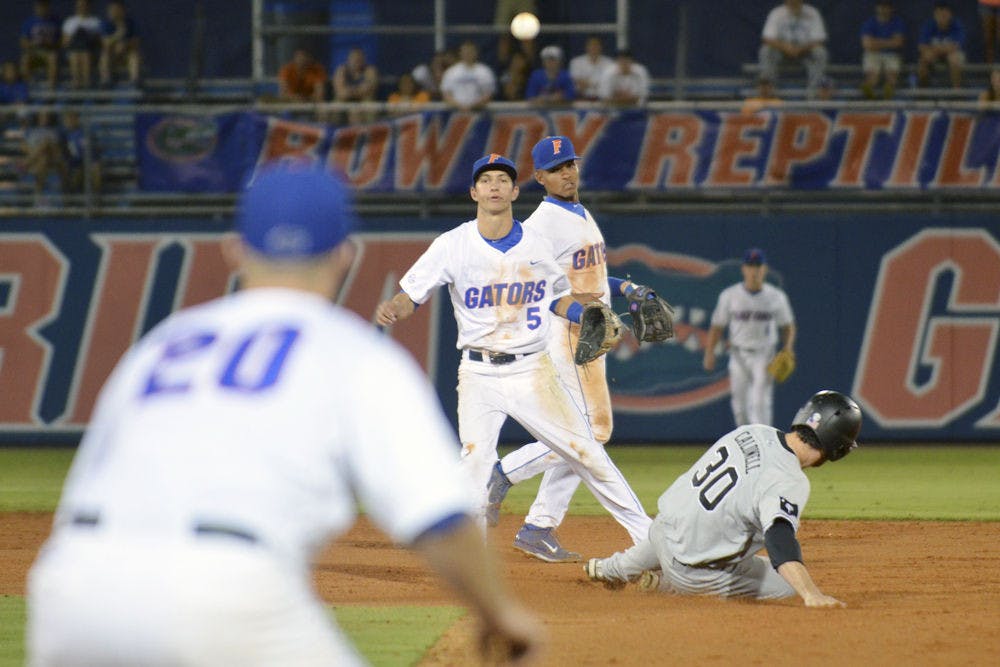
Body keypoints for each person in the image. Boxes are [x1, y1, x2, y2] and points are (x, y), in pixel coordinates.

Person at [26, 164, 542, 666]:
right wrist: (499, 614)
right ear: (344, 255)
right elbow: (439, 517)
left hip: (70, 588)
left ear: (235, 250)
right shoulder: (353, 353)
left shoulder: (164, 343)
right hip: (227, 586)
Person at [375, 153, 652, 554]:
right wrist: (395, 307)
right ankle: (476, 565)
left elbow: (558, 298)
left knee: (586, 452)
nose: (494, 186)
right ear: (474, 192)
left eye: (502, 180)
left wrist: (585, 313)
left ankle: (649, 540)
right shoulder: (452, 245)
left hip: (532, 371)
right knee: (474, 466)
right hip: (478, 375)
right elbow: (411, 294)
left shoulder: (537, 244)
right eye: (485, 180)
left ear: (515, 190)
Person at [484, 136, 669, 562]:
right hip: (567, 337)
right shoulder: (542, 224)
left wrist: (627, 288)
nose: (566, 172)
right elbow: (527, 285)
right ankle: (505, 474)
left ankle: (538, 527)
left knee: (587, 436)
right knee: (591, 434)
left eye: (570, 164)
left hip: (589, 333)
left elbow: (588, 279)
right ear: (539, 177)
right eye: (556, 168)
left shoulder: (578, 213)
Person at [585, 390, 861, 608]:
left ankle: (613, 568)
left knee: (683, 528)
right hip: (692, 573)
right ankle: (662, 584)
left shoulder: (753, 431)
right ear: (838, 447)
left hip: (661, 531)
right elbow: (779, 539)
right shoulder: (790, 480)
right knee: (787, 585)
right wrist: (811, 594)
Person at [702, 248, 796, 428]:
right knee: (740, 407)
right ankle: (745, 446)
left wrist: (788, 347)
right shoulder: (730, 295)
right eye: (751, 266)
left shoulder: (776, 297)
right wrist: (709, 353)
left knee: (760, 403)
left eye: (758, 266)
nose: (755, 270)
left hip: (765, 354)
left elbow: (788, 325)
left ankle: (766, 446)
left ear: (764, 269)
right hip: (738, 354)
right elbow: (717, 326)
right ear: (744, 269)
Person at [758, 0, 829, 100]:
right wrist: (786, 47)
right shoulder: (777, 13)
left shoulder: (812, 13)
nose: (793, 2)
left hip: (805, 51)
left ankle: (813, 93)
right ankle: (770, 90)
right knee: (766, 50)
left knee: (820, 52)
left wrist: (800, 48)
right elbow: (767, 38)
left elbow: (819, 39)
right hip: (782, 51)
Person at [860, 1, 905, 100]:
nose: (884, 9)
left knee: (892, 78)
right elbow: (867, 45)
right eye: (881, 6)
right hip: (873, 54)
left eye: (886, 7)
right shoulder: (869, 23)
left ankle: (887, 102)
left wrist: (876, 42)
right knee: (872, 78)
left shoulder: (897, 22)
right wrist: (889, 42)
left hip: (892, 55)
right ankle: (871, 101)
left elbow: (898, 43)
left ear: (891, 8)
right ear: (877, 8)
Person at [918, 2, 966, 89]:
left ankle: (957, 91)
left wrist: (936, 49)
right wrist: (942, 49)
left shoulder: (956, 24)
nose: (942, 17)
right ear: (935, 15)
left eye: (945, 14)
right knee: (924, 58)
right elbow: (922, 46)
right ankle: (922, 90)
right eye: (939, 14)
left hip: (950, 54)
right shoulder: (929, 25)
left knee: (955, 59)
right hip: (934, 55)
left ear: (950, 14)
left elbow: (956, 46)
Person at [440, 40, 497, 111]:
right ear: (460, 53)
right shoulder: (451, 72)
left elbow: (489, 93)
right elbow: (446, 94)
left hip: (478, 111)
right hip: (455, 112)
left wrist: (473, 106)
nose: (468, 54)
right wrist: (460, 106)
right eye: (465, 52)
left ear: (476, 53)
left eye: (470, 52)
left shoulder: (485, 71)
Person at [61, 0, 104, 89]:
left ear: (89, 6)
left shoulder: (95, 22)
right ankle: (76, 83)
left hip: (90, 50)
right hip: (73, 50)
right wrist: (74, 36)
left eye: (84, 5)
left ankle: (86, 83)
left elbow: (100, 42)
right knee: (75, 55)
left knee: (85, 55)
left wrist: (88, 36)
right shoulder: (70, 22)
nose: (82, 7)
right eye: (80, 5)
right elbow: (64, 43)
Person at [61, 109, 102, 200]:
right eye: (67, 119)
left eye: (72, 118)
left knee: (96, 168)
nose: (69, 121)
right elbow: (63, 154)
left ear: (77, 119)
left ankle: (96, 200)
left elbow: (95, 151)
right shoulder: (63, 135)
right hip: (74, 164)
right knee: (70, 169)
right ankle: (68, 200)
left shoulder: (86, 132)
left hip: (88, 162)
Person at [19, 0, 61, 88]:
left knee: (53, 57)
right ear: (36, 8)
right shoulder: (29, 22)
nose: (42, 9)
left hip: (49, 52)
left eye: (44, 7)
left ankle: (51, 87)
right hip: (34, 53)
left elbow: (60, 42)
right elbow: (23, 42)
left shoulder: (55, 21)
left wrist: (50, 43)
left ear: (48, 8)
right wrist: (34, 43)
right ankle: (26, 86)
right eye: (40, 7)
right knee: (25, 59)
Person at [98, 0, 141, 87]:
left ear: (122, 10)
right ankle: (105, 80)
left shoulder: (130, 23)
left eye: (117, 9)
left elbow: (136, 43)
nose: (114, 12)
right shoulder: (105, 24)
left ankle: (135, 80)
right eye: (112, 10)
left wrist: (124, 45)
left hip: (126, 54)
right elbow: (105, 44)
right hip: (112, 55)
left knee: (134, 55)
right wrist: (118, 34)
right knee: (104, 55)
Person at [332, 47, 379, 124]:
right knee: (334, 105)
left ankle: (369, 130)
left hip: (363, 99)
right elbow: (340, 92)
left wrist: (350, 91)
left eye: (359, 59)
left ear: (363, 60)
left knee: (369, 105)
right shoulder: (341, 70)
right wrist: (357, 90)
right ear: (348, 60)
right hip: (346, 99)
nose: (356, 61)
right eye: (354, 59)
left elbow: (368, 89)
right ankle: (332, 129)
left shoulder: (370, 70)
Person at [569, 36, 613, 101]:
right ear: (586, 47)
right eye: (591, 45)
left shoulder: (609, 63)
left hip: (603, 99)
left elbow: (608, 84)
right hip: (582, 98)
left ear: (601, 47)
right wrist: (597, 84)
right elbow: (575, 81)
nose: (593, 47)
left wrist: (586, 83)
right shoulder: (576, 62)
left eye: (596, 45)